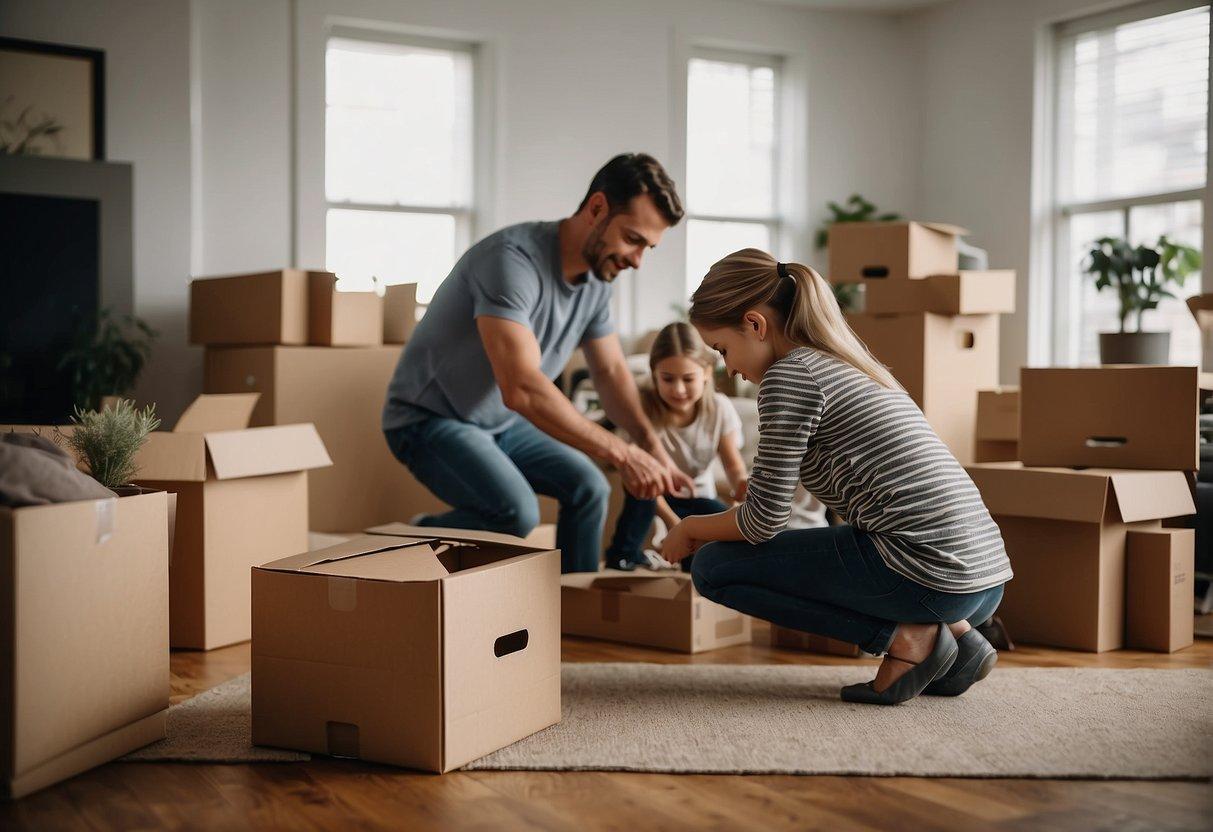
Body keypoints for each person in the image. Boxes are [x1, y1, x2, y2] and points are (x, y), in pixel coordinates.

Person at [662, 249, 1012, 705]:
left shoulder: (789, 378)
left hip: (931, 577)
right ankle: (960, 640)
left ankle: (908, 638)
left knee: (714, 568)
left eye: (722, 350)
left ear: (755, 324)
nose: (729, 369)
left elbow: (761, 523)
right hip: (983, 577)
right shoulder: (849, 364)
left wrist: (689, 528)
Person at [382, 153, 694, 573]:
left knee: (589, 488)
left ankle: (574, 611)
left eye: (648, 248)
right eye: (633, 239)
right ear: (597, 208)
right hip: (428, 419)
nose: (637, 260)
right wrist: (623, 454)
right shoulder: (512, 261)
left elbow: (611, 373)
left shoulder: (597, 281)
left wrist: (654, 451)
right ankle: (411, 539)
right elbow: (522, 387)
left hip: (498, 423)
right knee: (516, 513)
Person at [604, 322, 747, 573]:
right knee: (642, 493)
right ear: (654, 373)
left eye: (688, 379)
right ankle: (623, 556)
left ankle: (693, 569)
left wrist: (742, 488)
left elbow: (732, 465)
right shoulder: (641, 409)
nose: (678, 389)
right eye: (667, 379)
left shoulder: (720, 408)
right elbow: (641, 479)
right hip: (651, 496)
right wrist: (675, 524)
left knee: (718, 521)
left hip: (696, 497)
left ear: (706, 373)